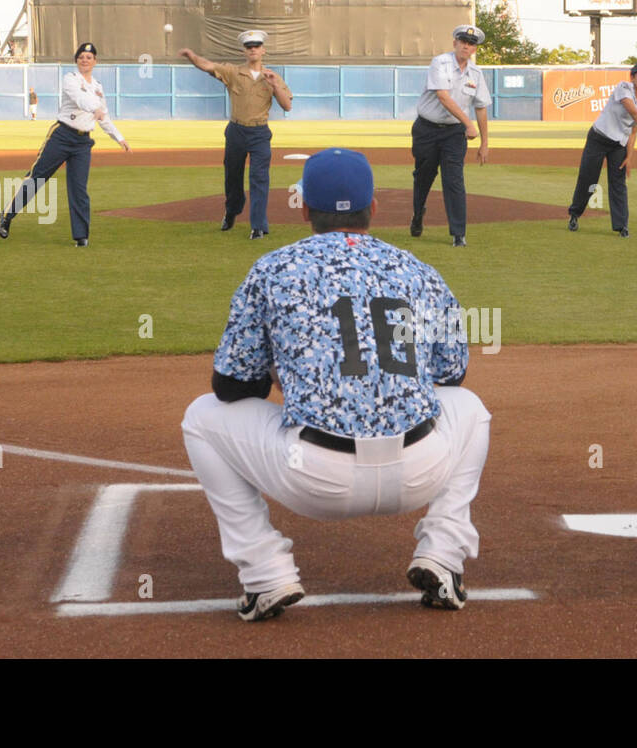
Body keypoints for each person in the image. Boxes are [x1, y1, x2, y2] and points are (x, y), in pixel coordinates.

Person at [181, 147, 492, 622]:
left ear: (304, 209)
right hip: (417, 471)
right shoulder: (419, 270)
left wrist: (293, 372)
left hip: (314, 478)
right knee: (469, 406)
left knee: (201, 418)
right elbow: (452, 375)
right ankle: (444, 556)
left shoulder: (272, 269)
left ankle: (266, 574)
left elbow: (229, 387)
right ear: (374, 208)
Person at [0, 42, 131, 246]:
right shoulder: (70, 79)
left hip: (83, 142)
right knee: (37, 177)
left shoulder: (98, 87)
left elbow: (104, 117)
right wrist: (96, 107)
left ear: (95, 61)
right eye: (81, 57)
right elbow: (79, 100)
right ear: (77, 60)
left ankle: (81, 237)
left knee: (79, 189)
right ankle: (7, 216)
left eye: (89, 57)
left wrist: (119, 137)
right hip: (61, 135)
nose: (85, 60)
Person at [178, 31, 293, 239]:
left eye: (256, 45)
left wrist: (275, 86)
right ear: (244, 51)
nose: (253, 49)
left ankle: (258, 226)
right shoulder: (233, 72)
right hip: (236, 131)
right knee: (233, 178)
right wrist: (191, 56)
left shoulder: (272, 77)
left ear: (263, 49)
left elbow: (287, 105)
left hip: (259, 132)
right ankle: (231, 212)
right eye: (249, 46)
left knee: (259, 179)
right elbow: (208, 66)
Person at [411, 24, 492, 247]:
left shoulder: (476, 73)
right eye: (463, 41)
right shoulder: (440, 63)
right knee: (424, 177)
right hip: (427, 129)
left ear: (475, 49)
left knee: (454, 180)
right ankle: (418, 214)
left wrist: (485, 143)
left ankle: (459, 234)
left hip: (454, 133)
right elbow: (443, 96)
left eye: (471, 44)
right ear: (455, 43)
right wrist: (468, 124)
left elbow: (481, 106)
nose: (467, 46)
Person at [566, 63, 637, 238]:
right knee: (588, 179)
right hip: (598, 138)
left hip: (618, 146)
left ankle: (622, 226)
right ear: (632, 77)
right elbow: (633, 113)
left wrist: (629, 156)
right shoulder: (623, 87)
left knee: (618, 183)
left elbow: (633, 130)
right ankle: (575, 214)